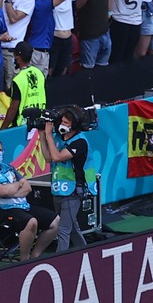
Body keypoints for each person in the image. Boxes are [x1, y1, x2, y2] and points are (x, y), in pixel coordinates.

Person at [0, 135, 59, 261]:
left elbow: (28, 187)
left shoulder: (8, 167)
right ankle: (24, 259)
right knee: (31, 222)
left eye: (0, 150)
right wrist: (18, 184)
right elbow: (3, 192)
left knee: (55, 221)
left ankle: (35, 255)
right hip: (0, 211)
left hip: (22, 206)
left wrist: (13, 190)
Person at [42, 107, 95, 252]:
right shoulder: (58, 138)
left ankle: (61, 262)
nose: (63, 124)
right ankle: (85, 252)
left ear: (75, 125)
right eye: (62, 121)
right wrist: (42, 134)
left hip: (73, 191)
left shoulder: (80, 142)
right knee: (72, 227)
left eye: (67, 122)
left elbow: (58, 157)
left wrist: (48, 135)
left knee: (63, 229)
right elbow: (48, 157)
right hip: (59, 189)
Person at [4, 41, 46, 128]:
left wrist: (3, 129)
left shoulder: (18, 80)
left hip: (22, 124)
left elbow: (13, 108)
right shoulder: (39, 73)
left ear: (18, 58)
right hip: (39, 120)